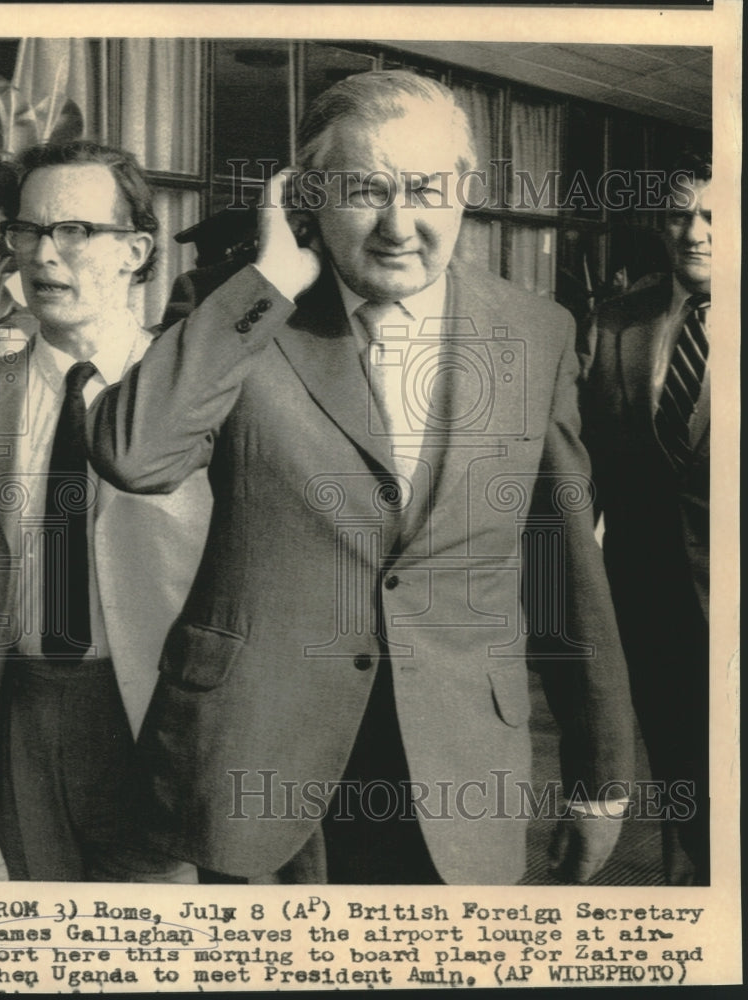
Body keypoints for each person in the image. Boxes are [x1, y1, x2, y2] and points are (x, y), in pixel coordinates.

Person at [88, 72, 633, 885]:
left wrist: (600, 782)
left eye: (424, 189)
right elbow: (136, 454)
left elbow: (562, 571)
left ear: (467, 190)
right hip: (256, 760)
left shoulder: (535, 331)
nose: (398, 225)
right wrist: (270, 281)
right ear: (305, 196)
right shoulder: (238, 308)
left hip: (455, 772)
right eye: (364, 190)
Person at [0, 140, 210, 881]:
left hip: (157, 719)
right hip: (24, 711)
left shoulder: (197, 393)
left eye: (73, 231)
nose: (44, 256)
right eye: (28, 231)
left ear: (136, 250)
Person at [578, 153, 712, 885]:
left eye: (716, 217)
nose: (693, 233)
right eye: (679, 214)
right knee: (679, 773)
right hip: (651, 609)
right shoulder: (615, 321)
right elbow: (585, 476)